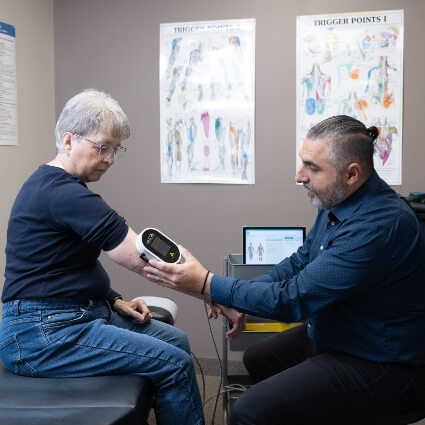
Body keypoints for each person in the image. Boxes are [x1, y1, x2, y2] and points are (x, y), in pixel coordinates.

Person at [144, 115, 425, 425]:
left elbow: (292, 300)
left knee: (248, 412)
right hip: (341, 332)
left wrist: (208, 283)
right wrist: (235, 299)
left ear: (352, 173)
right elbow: (300, 261)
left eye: (312, 167)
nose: (299, 175)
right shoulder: (339, 201)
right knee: (257, 358)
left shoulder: (379, 226)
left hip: (383, 362)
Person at [0, 89, 204, 425]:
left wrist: (112, 299)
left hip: (75, 315)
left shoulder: (58, 188)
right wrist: (211, 291)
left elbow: (60, 263)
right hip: (41, 334)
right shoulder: (61, 192)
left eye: (115, 149)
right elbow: (141, 258)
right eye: (102, 147)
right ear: (68, 141)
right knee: (175, 363)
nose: (110, 158)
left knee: (176, 341)